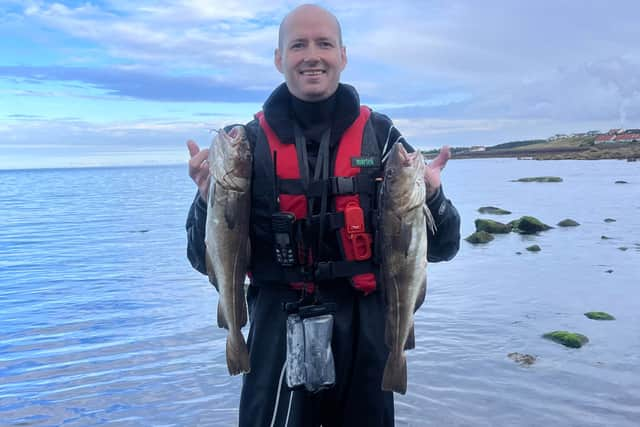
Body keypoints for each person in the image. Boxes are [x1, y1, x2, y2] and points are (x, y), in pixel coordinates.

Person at [185, 4, 460, 426]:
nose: (312, 55)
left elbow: (443, 247)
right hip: (277, 323)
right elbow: (197, 254)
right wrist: (207, 197)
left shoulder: (382, 136)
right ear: (279, 58)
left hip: (368, 324)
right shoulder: (246, 143)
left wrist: (435, 197)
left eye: (324, 44)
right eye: (298, 45)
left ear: (343, 56)